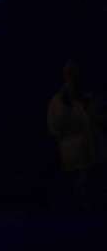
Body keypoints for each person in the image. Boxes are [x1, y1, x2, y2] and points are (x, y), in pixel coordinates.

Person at [47, 60, 106, 209]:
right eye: (70, 74)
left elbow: (99, 120)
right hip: (71, 155)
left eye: (76, 74)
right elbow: (55, 126)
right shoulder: (58, 101)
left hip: (92, 154)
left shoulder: (91, 98)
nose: (73, 78)